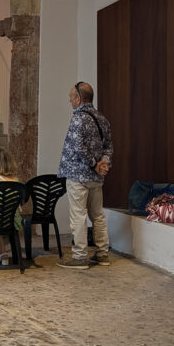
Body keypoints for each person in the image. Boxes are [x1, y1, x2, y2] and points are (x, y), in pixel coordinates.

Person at [58, 81, 114, 269]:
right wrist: (103, 163)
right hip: (95, 178)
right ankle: (102, 254)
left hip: (78, 175)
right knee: (98, 215)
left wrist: (94, 164)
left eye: (71, 97)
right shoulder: (102, 118)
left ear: (79, 98)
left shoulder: (78, 118)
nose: (69, 100)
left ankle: (80, 256)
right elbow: (109, 147)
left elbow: (78, 148)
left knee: (78, 216)